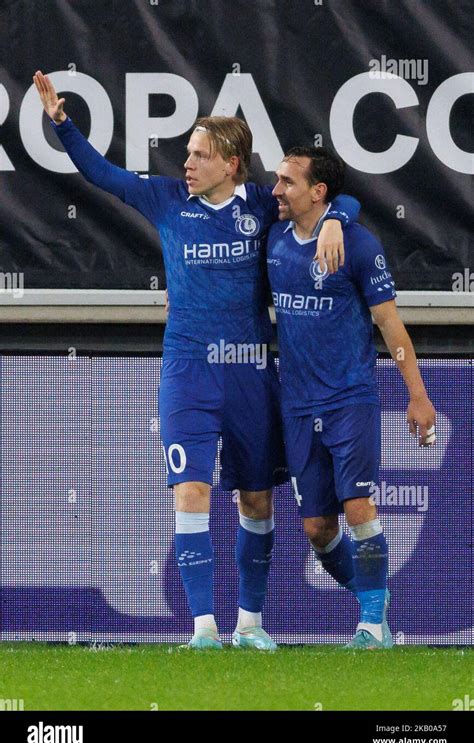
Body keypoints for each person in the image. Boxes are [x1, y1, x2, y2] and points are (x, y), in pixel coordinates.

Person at [33, 71, 360, 650]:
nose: (186, 163)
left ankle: (250, 627)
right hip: (187, 369)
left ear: (232, 163)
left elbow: (336, 194)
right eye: (187, 153)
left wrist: (337, 218)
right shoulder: (165, 200)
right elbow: (100, 173)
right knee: (191, 490)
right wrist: (63, 122)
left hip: (251, 372)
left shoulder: (263, 204)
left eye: (199, 155)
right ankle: (203, 630)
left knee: (256, 499)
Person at [267, 146, 436, 648]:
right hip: (296, 402)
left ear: (318, 192)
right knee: (318, 529)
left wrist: (418, 396)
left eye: (287, 182)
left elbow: (390, 325)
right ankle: (375, 604)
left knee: (358, 503)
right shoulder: (274, 239)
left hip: (350, 398)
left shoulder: (359, 246)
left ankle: (371, 624)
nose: (276, 189)